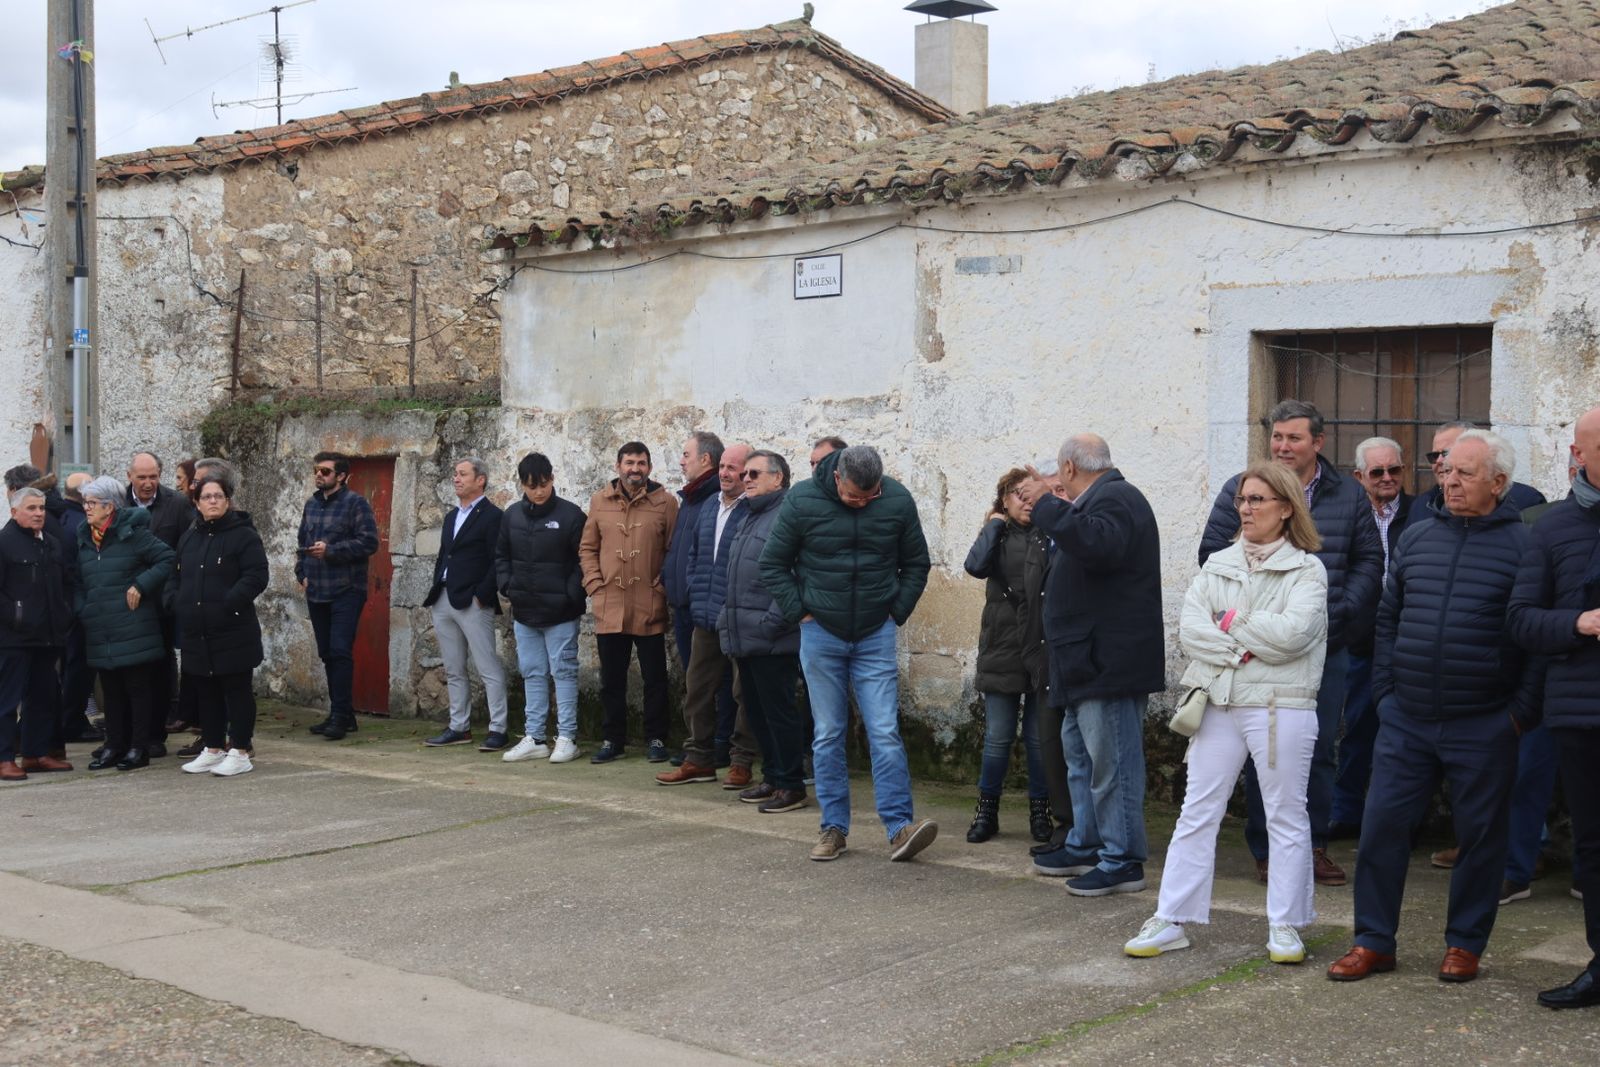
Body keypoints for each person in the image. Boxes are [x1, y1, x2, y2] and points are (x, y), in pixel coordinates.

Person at [1329, 430, 1539, 984]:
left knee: (1481, 838)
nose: (1450, 482)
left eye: (1465, 473)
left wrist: (1516, 714)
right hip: (1407, 719)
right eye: (1446, 471)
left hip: (1485, 722)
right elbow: (1388, 619)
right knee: (1381, 830)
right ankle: (1373, 941)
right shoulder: (1418, 538)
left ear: (1498, 482)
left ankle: (1465, 944)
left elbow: (1535, 640)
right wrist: (1387, 696)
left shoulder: (1524, 547)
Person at [1124, 463, 1328, 962]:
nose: (1246, 508)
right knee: (1198, 810)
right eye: (1243, 499)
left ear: (1285, 509)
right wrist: (1241, 648)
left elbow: (1294, 636)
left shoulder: (1307, 569)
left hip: (1282, 706)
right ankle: (1172, 917)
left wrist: (1231, 622)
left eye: (1258, 500)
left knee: (1285, 814)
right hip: (1219, 701)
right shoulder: (1218, 563)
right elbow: (1192, 631)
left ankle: (1286, 924)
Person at [1200, 400, 1382, 888]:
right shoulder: (1241, 491)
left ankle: (1312, 846)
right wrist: (1252, 624)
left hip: (1327, 648)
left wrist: (1335, 614)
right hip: (1254, 651)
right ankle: (1266, 851)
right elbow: (1212, 558)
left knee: (1316, 747)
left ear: (1317, 443)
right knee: (1266, 750)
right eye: (1277, 437)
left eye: (1294, 438)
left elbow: (1369, 562)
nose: (1283, 446)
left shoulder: (1348, 495)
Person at [761, 444, 938, 863]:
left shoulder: (896, 500)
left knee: (884, 731)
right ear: (837, 477)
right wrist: (800, 611)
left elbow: (917, 563)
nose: (862, 503)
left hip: (875, 632)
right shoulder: (803, 499)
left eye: (870, 496)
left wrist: (895, 612)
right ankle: (834, 828)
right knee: (828, 734)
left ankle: (899, 828)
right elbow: (772, 563)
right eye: (855, 497)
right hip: (821, 632)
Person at [1019, 434, 1164, 896]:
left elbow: (1098, 546)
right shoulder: (1098, 500)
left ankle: (1123, 860)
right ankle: (1087, 842)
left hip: (1108, 663)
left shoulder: (1118, 498)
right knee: (1080, 759)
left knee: (1113, 765)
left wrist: (1045, 505)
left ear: (1067, 467)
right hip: (1082, 662)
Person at [1509, 406, 1600, 1009]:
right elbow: (1520, 621)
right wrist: (1580, 621)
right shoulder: (1550, 527)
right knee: (1593, 845)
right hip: (1582, 712)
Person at [657, 442, 761, 787]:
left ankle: (741, 761)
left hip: (739, 619)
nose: (726, 473)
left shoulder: (754, 511)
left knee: (741, 692)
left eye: (735, 468)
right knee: (697, 689)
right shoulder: (708, 508)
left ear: (747, 472)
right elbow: (694, 556)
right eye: (724, 467)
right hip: (705, 614)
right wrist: (693, 589)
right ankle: (698, 758)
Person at [1329, 436, 1415, 839]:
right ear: (1358, 476)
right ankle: (1346, 812)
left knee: (1405, 735)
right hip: (1360, 638)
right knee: (1358, 726)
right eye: (1377, 472)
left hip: (1408, 640)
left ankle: (1400, 822)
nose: (1386, 478)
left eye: (1394, 470)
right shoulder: (1349, 516)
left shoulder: (1421, 514)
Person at [962, 467, 1052, 844]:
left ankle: (1040, 811)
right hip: (1001, 648)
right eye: (1017, 493)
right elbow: (974, 565)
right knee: (998, 737)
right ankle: (987, 811)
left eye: (1030, 493)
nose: (1025, 500)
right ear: (1003, 501)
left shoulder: (1050, 534)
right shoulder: (996, 535)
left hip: (1040, 648)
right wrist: (994, 525)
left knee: (1037, 738)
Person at [719, 450, 808, 812]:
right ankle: (772, 777)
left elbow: (797, 574)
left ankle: (791, 785)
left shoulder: (786, 516)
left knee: (779, 712)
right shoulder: (748, 516)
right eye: (746, 474)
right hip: (744, 636)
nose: (747, 479)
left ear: (779, 478)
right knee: (756, 712)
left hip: (772, 637)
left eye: (755, 473)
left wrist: (772, 623)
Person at [580, 442, 677, 764]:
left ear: (649, 466)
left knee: (655, 679)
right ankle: (612, 739)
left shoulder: (665, 503)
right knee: (612, 679)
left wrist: (662, 587)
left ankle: (657, 739)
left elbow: (673, 551)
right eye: (629, 462)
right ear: (618, 465)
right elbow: (587, 548)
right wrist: (595, 584)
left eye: (641, 463)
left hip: (649, 603)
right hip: (610, 603)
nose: (635, 468)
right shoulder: (599, 501)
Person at [169, 475, 269, 777]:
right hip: (196, 630)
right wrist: (176, 602)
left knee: (236, 690)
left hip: (232, 628)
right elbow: (176, 575)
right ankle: (212, 748)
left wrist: (229, 603)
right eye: (207, 497)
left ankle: (240, 750)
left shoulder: (244, 536)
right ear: (197, 503)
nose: (213, 501)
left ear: (228, 500)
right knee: (206, 690)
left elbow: (256, 576)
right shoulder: (189, 537)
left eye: (218, 496)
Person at [75, 476, 175, 771]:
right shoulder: (84, 538)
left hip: (133, 627)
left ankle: (138, 747)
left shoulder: (133, 534)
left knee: (137, 690)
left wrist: (141, 586)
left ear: (110, 507)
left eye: (92, 503)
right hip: (100, 627)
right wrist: (84, 607)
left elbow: (167, 559)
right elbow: (78, 580)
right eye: (85, 502)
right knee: (112, 692)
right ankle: (114, 745)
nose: (86, 508)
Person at [496, 452, 587, 765]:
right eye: (532, 485)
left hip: (560, 612)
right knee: (532, 672)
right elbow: (501, 556)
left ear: (552, 478)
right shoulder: (511, 516)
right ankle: (535, 737)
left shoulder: (571, 516)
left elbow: (583, 561)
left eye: (544, 483)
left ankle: (567, 737)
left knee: (563, 672)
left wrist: (570, 595)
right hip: (524, 610)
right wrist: (508, 586)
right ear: (522, 484)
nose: (539, 491)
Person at [421, 457, 509, 751]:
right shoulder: (450, 517)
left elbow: (498, 559)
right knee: (454, 668)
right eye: (454, 474)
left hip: (473, 601)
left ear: (480, 479)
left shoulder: (492, 516)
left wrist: (482, 595)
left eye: (462, 474)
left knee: (487, 666)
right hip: (443, 598)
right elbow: (445, 556)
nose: (456, 479)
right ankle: (459, 726)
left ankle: (498, 729)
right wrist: (437, 585)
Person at [296, 451, 380, 742]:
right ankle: (343, 713)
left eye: (326, 471)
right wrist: (301, 572)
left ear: (341, 476)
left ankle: (340, 716)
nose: (319, 475)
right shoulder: (311, 505)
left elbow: (369, 542)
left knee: (340, 650)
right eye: (317, 470)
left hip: (346, 589)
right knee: (327, 653)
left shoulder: (355, 503)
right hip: (317, 589)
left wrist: (332, 551)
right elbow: (302, 542)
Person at [1, 487, 76, 780]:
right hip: (13, 639)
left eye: (41, 508)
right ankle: (4, 757)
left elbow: (65, 584)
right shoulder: (4, 543)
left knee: (42, 698)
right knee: (7, 701)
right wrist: (17, 617)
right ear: (14, 512)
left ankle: (35, 753)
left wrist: (64, 614)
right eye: (31, 508)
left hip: (49, 636)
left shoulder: (52, 544)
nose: (38, 514)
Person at [126, 451, 198, 748]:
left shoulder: (177, 504)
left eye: (153, 477)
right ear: (129, 476)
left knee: (159, 668)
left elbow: (186, 549)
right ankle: (127, 734)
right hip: (126, 601)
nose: (147, 483)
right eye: (141, 477)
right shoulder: (118, 504)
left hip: (161, 603)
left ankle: (156, 733)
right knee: (127, 672)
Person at [661, 431, 723, 766]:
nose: (682, 461)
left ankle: (717, 745)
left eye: (686, 454)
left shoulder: (713, 499)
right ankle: (698, 745)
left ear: (705, 460)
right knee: (694, 681)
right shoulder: (692, 497)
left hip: (700, 605)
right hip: (684, 603)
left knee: (713, 682)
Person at [55, 471, 100, 745]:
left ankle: (71, 718)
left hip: (65, 605)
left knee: (72, 665)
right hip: (79, 604)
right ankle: (72, 720)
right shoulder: (81, 525)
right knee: (79, 666)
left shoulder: (62, 519)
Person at [1424, 421, 1545, 511]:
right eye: (1434, 455)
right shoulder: (1421, 506)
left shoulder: (1526, 501)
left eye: (1447, 453)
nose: (1439, 461)